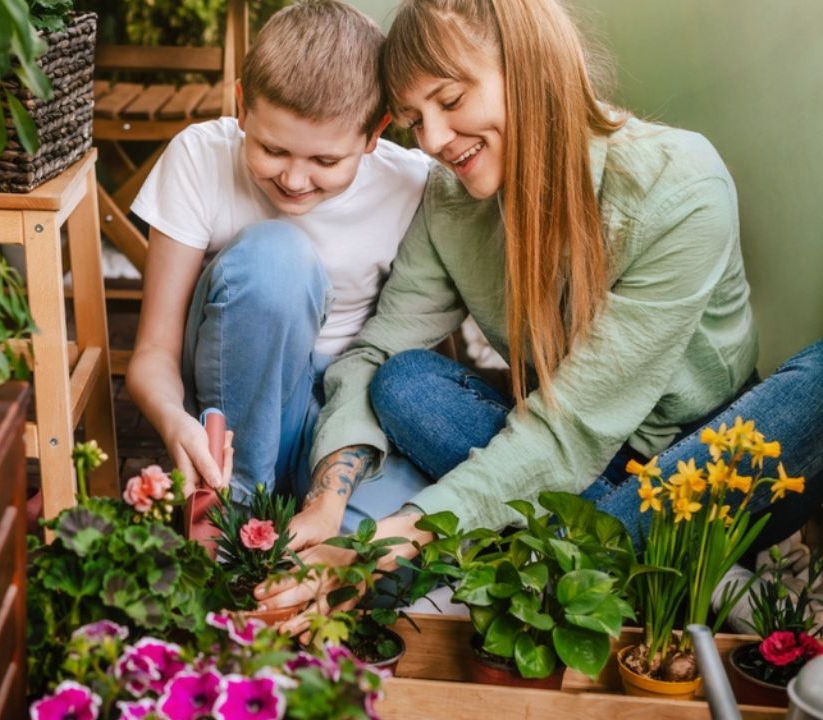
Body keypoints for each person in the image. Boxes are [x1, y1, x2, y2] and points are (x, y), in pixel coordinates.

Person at [260, 0, 823, 623]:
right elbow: (378, 351)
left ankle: (624, 560)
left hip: (702, 461)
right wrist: (328, 501)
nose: (434, 141)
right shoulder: (450, 200)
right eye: (416, 120)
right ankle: (679, 575)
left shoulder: (680, 185)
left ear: (528, 64)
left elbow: (572, 428)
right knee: (405, 383)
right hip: (573, 465)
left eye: (450, 101)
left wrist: (386, 544)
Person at [126, 0, 432, 527]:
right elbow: (153, 350)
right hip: (233, 395)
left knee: (376, 557)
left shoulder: (413, 185)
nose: (294, 180)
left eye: (326, 161)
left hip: (345, 412)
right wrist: (174, 422)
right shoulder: (199, 158)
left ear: (374, 132)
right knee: (277, 257)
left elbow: (424, 337)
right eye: (271, 148)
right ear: (242, 106)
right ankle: (232, 514)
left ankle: (290, 520)